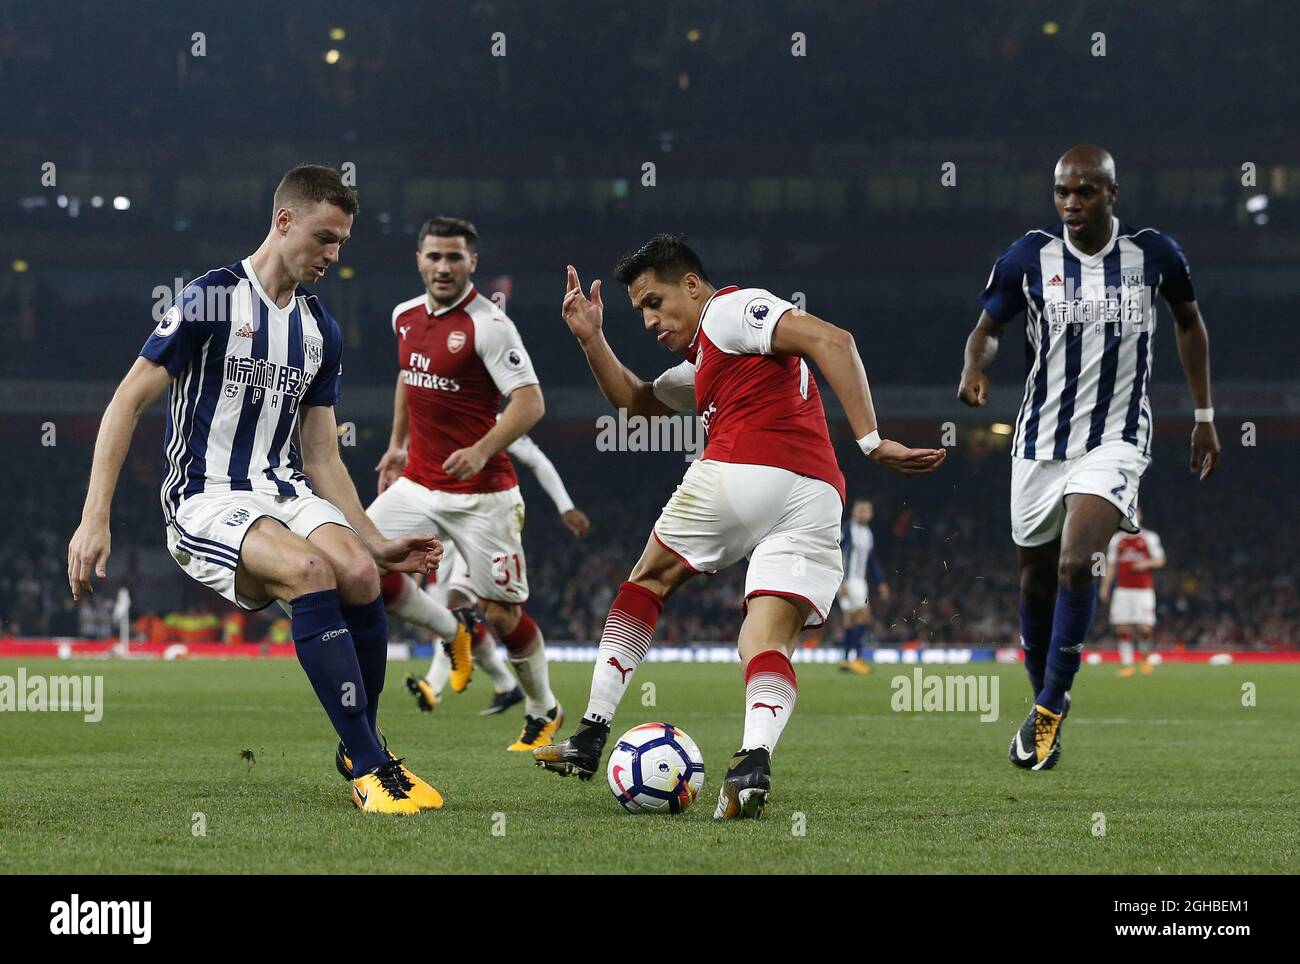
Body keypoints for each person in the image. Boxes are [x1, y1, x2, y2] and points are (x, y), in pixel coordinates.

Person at [67, 165, 443, 814]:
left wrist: (375, 543)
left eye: (342, 244)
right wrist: (94, 516)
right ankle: (372, 766)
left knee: (356, 573)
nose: (333, 255)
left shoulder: (322, 329)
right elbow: (127, 400)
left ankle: (360, 744)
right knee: (308, 570)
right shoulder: (211, 297)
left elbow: (322, 454)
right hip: (206, 497)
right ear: (284, 221)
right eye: (325, 238)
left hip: (285, 488)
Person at [535, 234, 945, 819]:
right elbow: (634, 400)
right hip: (817, 495)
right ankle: (752, 763)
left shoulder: (730, 310)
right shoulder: (707, 362)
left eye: (655, 301)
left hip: (747, 467)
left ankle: (592, 733)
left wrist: (873, 441)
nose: (649, 320)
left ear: (693, 285)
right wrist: (593, 338)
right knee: (765, 640)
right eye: (640, 311)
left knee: (646, 585)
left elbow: (834, 339)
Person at [958, 145, 1220, 770]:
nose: (1071, 203)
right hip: (1038, 442)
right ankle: (1045, 707)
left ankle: (1050, 705)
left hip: (1118, 436)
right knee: (1036, 580)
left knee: (1078, 562)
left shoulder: (1154, 255)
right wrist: (973, 366)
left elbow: (1189, 322)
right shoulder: (1028, 257)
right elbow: (988, 327)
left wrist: (1205, 417)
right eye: (1062, 193)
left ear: (1112, 194)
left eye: (1085, 191)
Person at [367, 217, 561, 751]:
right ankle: (452, 634)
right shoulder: (404, 316)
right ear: (419, 259)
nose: (444, 267)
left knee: (502, 614)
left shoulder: (489, 325)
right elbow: (409, 376)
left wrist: (480, 450)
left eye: (455, 257)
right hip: (417, 484)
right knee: (356, 560)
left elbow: (530, 402)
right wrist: (397, 444)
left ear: (472, 262)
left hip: (484, 496)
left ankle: (544, 708)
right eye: (434, 256)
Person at [405, 426, 591, 715]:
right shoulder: (436, 416)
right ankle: (506, 685)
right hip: (447, 527)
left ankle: (433, 685)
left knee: (461, 606)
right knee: (459, 612)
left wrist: (566, 507)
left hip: (483, 525)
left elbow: (536, 459)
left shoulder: (498, 420)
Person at [1100, 508, 1165, 676]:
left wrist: (1146, 563)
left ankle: (1144, 658)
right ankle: (1127, 664)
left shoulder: (1149, 537)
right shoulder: (1117, 540)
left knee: (1145, 628)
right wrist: (1105, 587)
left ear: (1140, 516)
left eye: (1136, 513)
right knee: (1123, 627)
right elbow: (1111, 565)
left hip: (1143, 591)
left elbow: (1160, 560)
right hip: (1122, 590)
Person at [838, 498, 890, 674]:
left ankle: (846, 660)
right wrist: (840, 580)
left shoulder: (868, 533)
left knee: (850, 620)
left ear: (871, 514)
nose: (862, 513)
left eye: (866, 510)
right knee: (863, 617)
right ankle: (858, 659)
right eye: (860, 510)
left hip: (860, 580)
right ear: (853, 512)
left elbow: (872, 560)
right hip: (850, 580)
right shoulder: (847, 528)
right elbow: (837, 552)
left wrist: (880, 581)